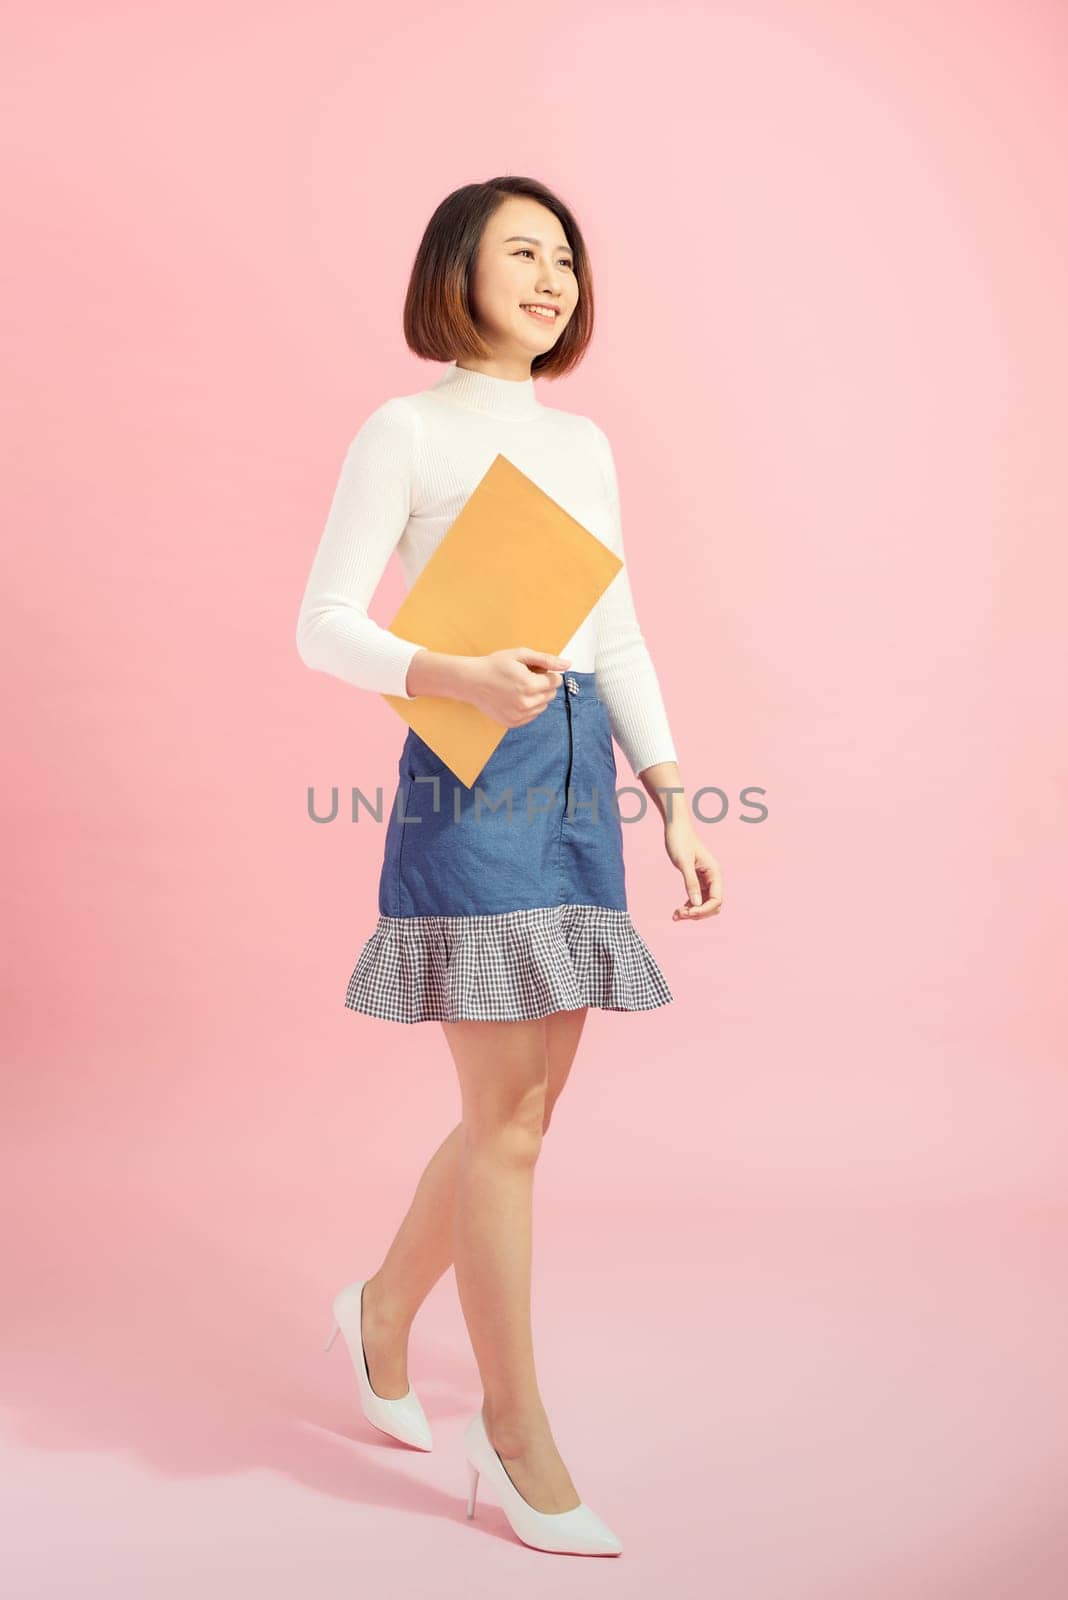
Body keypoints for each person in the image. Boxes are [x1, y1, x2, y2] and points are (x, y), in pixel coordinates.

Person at [297, 175, 722, 1556]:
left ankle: (377, 1312)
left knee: (524, 1113)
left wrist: (674, 798)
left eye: (566, 260)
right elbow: (324, 626)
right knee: (509, 1122)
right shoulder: (405, 429)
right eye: (521, 254)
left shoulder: (585, 442)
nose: (551, 280)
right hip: (475, 770)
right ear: (455, 273)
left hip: (584, 768)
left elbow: (627, 631)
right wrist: (452, 670)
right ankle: (516, 1427)